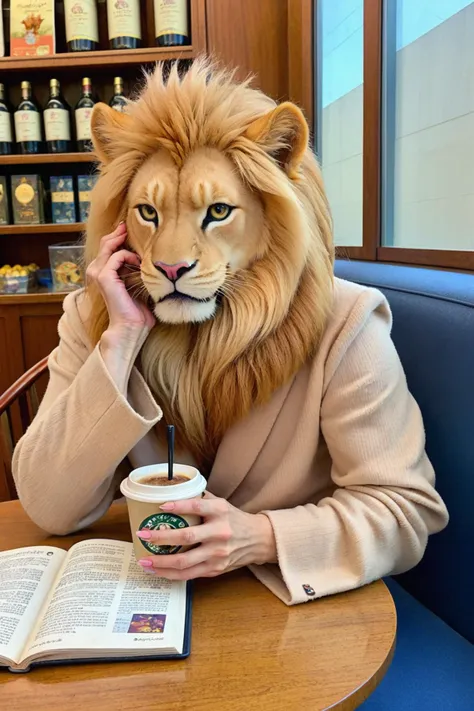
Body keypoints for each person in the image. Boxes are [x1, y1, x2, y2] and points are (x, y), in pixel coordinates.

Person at [12, 59, 448, 605]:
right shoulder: (94, 316)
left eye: (217, 211)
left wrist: (259, 537)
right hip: (146, 597)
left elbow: (405, 509)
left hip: (294, 603)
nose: (171, 259)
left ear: (272, 218)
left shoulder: (346, 322)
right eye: (148, 213)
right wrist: (118, 338)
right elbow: (49, 507)